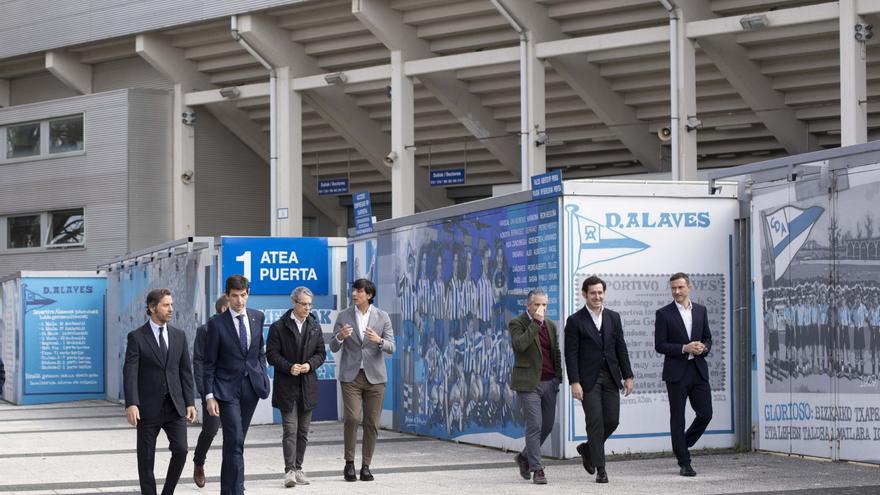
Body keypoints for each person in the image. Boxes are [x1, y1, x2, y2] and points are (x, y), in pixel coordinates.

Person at [123, 288, 197, 495]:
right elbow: (130, 373)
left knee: (181, 451)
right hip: (148, 408)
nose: (171, 309)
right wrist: (131, 403)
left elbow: (185, 372)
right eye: (166, 305)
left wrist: (190, 402)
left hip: (175, 406)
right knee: (146, 460)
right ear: (152, 307)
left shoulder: (179, 336)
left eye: (171, 304)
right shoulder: (136, 337)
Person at [203, 275, 270, 495]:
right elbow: (209, 363)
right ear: (227, 296)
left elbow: (259, 351)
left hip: (251, 387)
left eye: (243, 295)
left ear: (248, 293)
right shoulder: (216, 324)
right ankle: (237, 490)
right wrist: (209, 395)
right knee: (236, 439)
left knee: (234, 443)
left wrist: (262, 374)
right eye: (234, 296)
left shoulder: (257, 317)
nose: (239, 301)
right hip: (225, 390)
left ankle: (227, 491)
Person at [564, 276, 634, 483]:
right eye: (593, 293)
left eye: (600, 292)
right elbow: (571, 354)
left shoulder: (614, 317)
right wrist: (574, 381)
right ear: (584, 294)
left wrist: (628, 375)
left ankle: (588, 448)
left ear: (604, 293)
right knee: (594, 422)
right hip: (588, 380)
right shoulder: (575, 321)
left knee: (612, 420)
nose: (597, 296)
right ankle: (601, 469)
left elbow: (621, 348)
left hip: (611, 377)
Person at [330, 278, 395, 482]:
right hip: (351, 376)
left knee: (371, 422)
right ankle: (349, 463)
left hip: (375, 378)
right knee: (352, 418)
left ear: (369, 295)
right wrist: (340, 336)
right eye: (353, 290)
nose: (354, 294)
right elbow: (333, 346)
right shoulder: (344, 315)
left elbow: (392, 347)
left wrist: (379, 341)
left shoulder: (382, 317)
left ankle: (366, 466)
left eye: (359, 291)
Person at [266, 286, 327, 488]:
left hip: (307, 386)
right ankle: (289, 471)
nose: (307, 308)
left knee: (303, 432)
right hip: (287, 386)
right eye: (303, 304)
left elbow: (321, 354)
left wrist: (310, 365)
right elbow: (271, 354)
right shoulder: (278, 327)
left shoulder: (315, 326)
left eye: (310, 304)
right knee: (290, 430)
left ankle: (299, 468)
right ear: (294, 303)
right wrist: (288, 367)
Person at [654, 272, 713, 477]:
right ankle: (684, 462)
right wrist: (684, 348)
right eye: (673, 288)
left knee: (706, 414)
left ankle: (682, 445)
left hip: (698, 371)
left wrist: (703, 347)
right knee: (677, 418)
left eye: (680, 287)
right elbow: (660, 345)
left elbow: (708, 338)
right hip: (676, 373)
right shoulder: (663, 314)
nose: (676, 291)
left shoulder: (701, 311)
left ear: (689, 287)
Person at [508, 288, 562, 485]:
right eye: (537, 305)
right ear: (528, 305)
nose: (542, 309)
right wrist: (535, 324)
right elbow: (520, 345)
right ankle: (537, 468)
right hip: (529, 384)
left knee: (546, 426)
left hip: (550, 382)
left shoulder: (551, 325)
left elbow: (555, 351)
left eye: (544, 305)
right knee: (534, 425)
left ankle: (524, 457)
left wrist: (558, 378)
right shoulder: (517, 323)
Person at [191, 295, 228, 488]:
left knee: (235, 435)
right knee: (211, 430)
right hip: (212, 390)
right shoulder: (205, 330)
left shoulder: (240, 328)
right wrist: (204, 391)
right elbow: (198, 361)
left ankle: (233, 476)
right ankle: (199, 462)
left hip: (233, 390)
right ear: (223, 309)